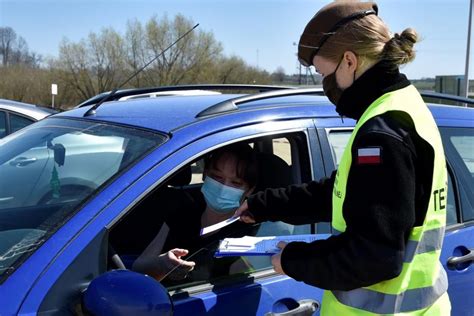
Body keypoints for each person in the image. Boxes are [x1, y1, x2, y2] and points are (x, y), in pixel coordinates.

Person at [235, 1, 450, 315]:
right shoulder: (404, 105)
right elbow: (340, 194)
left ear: (350, 61)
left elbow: (375, 256)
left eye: (325, 73)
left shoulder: (381, 135)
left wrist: (294, 261)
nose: (326, 86)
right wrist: (265, 204)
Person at [132, 142, 258, 281]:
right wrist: (161, 264)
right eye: (217, 177)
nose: (223, 187)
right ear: (205, 175)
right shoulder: (183, 213)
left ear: (249, 190)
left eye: (235, 183)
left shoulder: (250, 232)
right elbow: (139, 267)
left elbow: (249, 281)